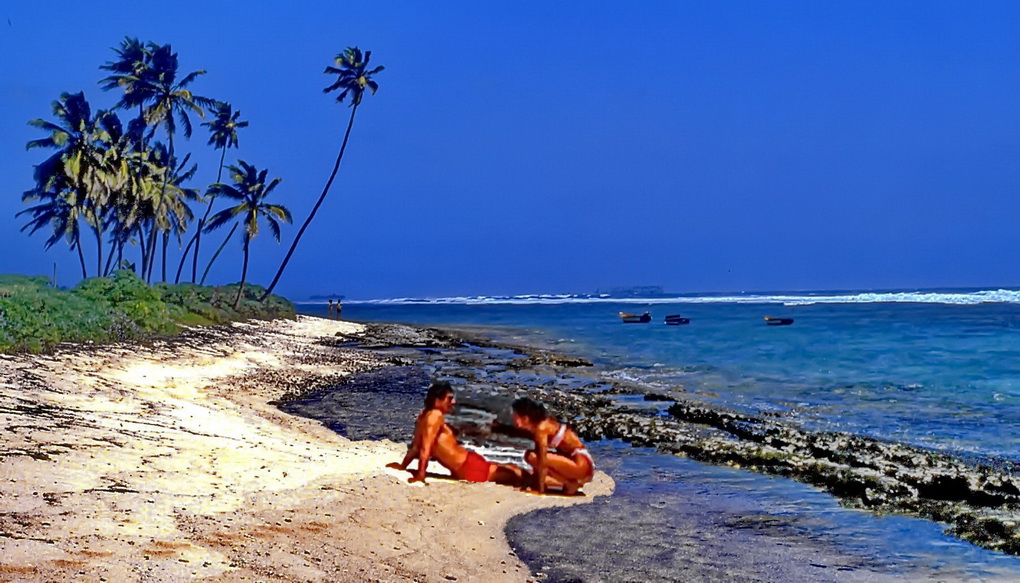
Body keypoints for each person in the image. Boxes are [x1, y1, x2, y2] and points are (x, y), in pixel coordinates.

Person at [388, 381, 523, 485]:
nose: (453, 402)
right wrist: (421, 475)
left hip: (468, 464)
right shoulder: (435, 415)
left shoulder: (423, 416)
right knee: (517, 474)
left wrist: (403, 466)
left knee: (514, 471)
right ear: (437, 400)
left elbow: (416, 446)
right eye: (449, 398)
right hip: (469, 467)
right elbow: (425, 448)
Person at [511, 396, 594, 495]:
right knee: (532, 473)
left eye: (516, 417)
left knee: (531, 456)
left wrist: (539, 490)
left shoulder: (541, 428)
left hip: (581, 465)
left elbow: (543, 460)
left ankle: (569, 482)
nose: (514, 420)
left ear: (525, 418)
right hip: (582, 464)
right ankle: (571, 483)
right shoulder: (545, 423)